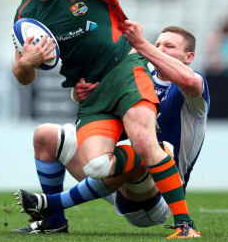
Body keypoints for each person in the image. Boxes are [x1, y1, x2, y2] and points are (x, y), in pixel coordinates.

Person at [11, 0, 199, 238]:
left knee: (143, 138)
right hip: (93, 94)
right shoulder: (26, 17)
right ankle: (57, 218)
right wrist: (26, 63)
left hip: (126, 70)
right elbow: (23, 74)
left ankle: (185, 225)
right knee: (96, 166)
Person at [12, 23, 209, 238]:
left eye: (169, 46)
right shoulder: (136, 78)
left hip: (158, 195)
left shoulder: (192, 91)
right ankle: (54, 221)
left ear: (189, 57)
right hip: (116, 178)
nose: (160, 48)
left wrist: (141, 45)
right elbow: (103, 112)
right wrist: (80, 95)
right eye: (157, 44)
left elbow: (190, 80)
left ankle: (53, 203)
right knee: (46, 135)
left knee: (149, 146)